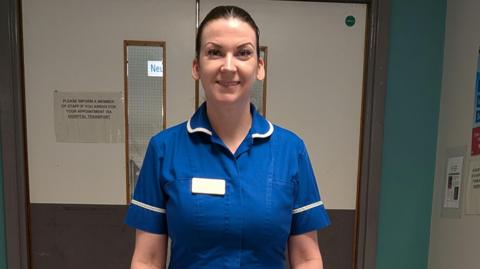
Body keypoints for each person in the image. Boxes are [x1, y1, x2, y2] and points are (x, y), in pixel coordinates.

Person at [125, 5, 330, 269]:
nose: (229, 66)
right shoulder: (164, 149)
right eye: (215, 52)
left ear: (259, 66)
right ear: (197, 67)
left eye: (243, 53)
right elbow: (147, 259)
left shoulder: (290, 150)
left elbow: (307, 258)